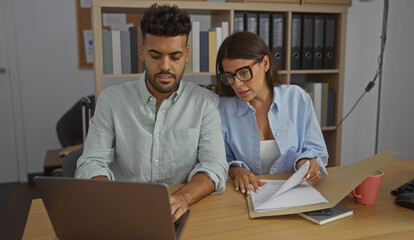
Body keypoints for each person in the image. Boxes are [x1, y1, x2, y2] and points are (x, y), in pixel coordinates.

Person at [75, 3, 228, 221]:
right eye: (155, 56)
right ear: (141, 52)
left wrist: (183, 197)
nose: (165, 66)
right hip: (121, 210)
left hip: (181, 212)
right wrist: (111, 199)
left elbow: (214, 166)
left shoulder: (206, 104)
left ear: (186, 54)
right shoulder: (111, 100)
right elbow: (91, 162)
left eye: (175, 57)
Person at [216, 31, 328, 195]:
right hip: (245, 197)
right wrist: (235, 171)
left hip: (295, 193)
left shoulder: (296, 98)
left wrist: (307, 161)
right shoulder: (223, 110)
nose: (237, 84)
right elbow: (218, 160)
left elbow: (317, 150)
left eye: (244, 73)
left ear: (266, 63)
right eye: (229, 76)